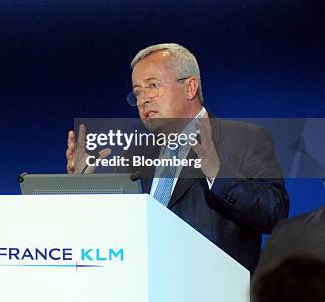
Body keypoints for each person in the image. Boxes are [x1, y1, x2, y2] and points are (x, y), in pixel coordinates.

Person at [66, 43, 289, 272]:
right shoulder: (134, 156)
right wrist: (83, 189)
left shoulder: (245, 138)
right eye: (138, 92)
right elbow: (114, 233)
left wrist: (217, 174)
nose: (144, 99)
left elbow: (275, 214)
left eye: (153, 86)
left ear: (190, 87)